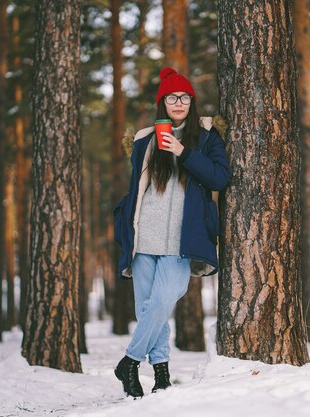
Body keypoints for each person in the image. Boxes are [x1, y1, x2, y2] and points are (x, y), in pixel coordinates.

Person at [112, 67, 230, 398]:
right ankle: (161, 375)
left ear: (192, 102)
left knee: (164, 300)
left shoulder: (207, 137)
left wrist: (183, 152)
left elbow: (219, 178)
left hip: (183, 237)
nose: (178, 103)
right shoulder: (145, 139)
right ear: (162, 103)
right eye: (171, 98)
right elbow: (139, 189)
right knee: (149, 308)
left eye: (184, 97)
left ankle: (130, 362)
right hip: (144, 234)